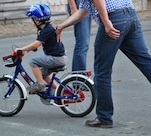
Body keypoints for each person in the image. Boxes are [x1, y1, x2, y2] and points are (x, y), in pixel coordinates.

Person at [57, 0, 151, 128]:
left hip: (113, 19)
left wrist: (106, 22)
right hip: (131, 17)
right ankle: (104, 116)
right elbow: (82, 13)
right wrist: (61, 26)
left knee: (102, 72)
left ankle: (104, 117)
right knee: (145, 62)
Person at [14, 3, 68, 94]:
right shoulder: (47, 29)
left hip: (56, 58)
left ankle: (40, 85)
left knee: (33, 61)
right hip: (60, 58)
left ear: (37, 21)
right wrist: (29, 49)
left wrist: (21, 49)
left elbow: (36, 44)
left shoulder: (47, 30)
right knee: (43, 75)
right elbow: (38, 44)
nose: (32, 22)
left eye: (33, 19)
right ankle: (60, 91)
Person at [67, 0, 91, 71]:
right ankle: (78, 78)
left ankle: (79, 76)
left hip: (87, 5)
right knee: (82, 45)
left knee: (84, 45)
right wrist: (73, 7)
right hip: (79, 6)